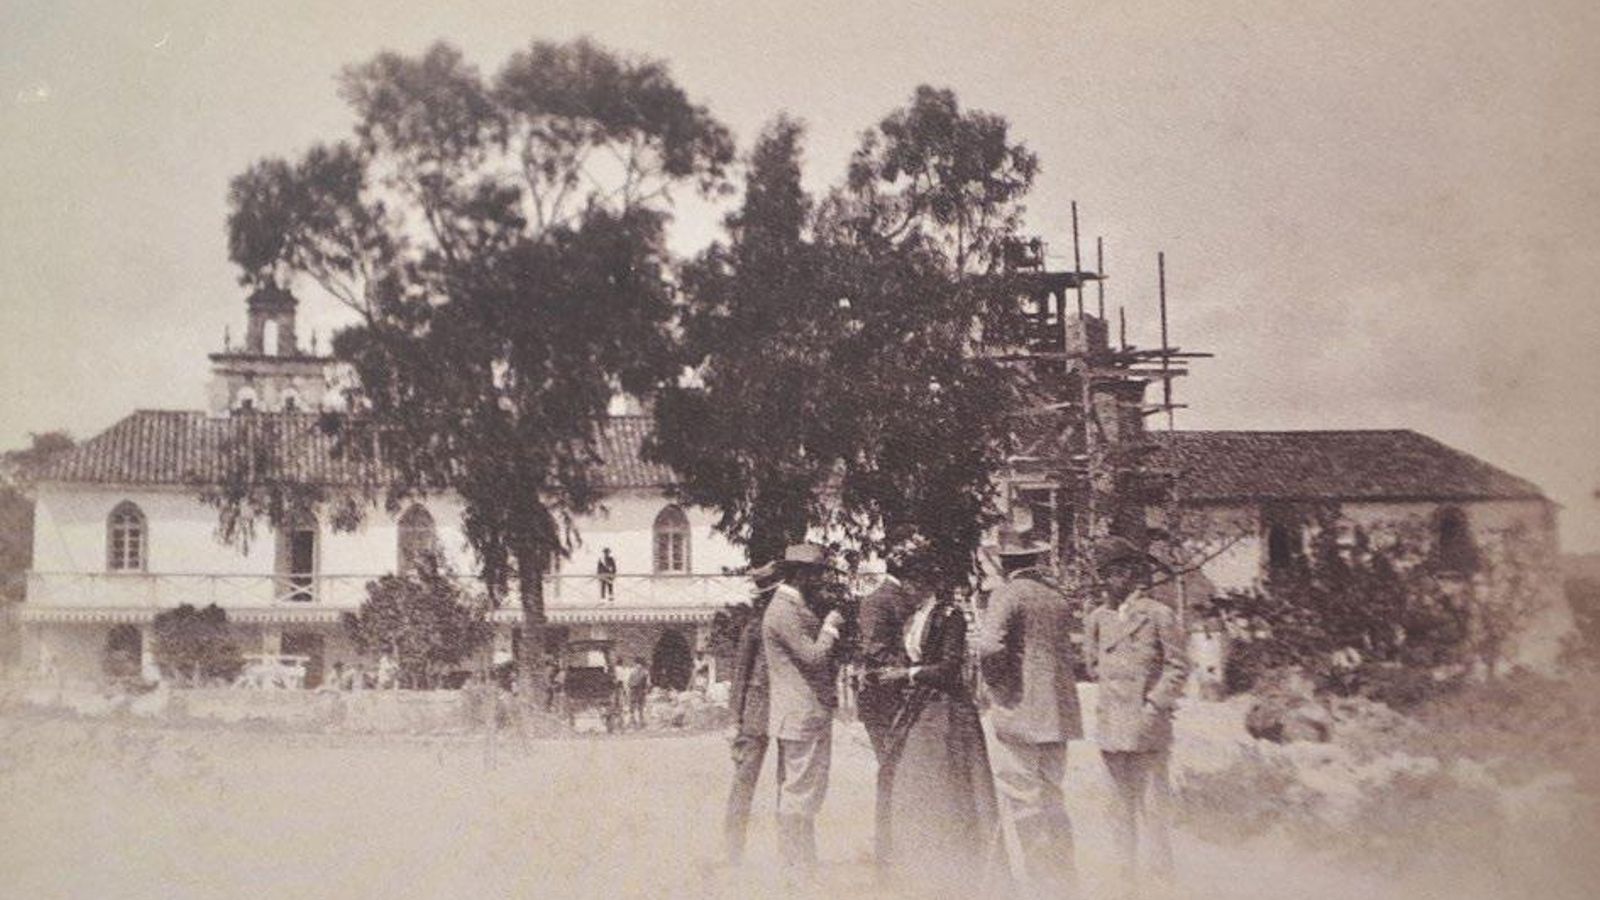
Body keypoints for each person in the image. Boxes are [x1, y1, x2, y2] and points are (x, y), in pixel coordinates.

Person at [872, 562, 1001, 895]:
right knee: (915, 789)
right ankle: (923, 868)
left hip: (949, 714)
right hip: (920, 712)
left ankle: (959, 870)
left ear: (925, 581)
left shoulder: (950, 617)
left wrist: (907, 675)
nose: (906, 589)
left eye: (911, 581)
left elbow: (949, 669)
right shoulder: (913, 619)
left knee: (949, 789)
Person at [974, 530, 1083, 894]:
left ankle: (1040, 885)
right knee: (1053, 797)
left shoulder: (1007, 594)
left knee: (1024, 800)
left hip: (1019, 711)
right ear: (1034, 560)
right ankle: (1064, 882)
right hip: (1059, 713)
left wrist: (999, 688)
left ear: (1005, 563)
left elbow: (989, 648)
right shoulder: (1056, 597)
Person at [1083, 536, 1189, 895]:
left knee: (1153, 809)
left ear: (1127, 574)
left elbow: (1178, 667)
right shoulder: (1098, 618)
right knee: (1117, 809)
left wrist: (1153, 705)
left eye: (1109, 573)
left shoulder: (1158, 615)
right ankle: (1124, 883)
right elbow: (1092, 664)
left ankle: (1162, 883)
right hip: (1112, 724)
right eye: (1101, 574)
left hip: (1147, 726)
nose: (1103, 582)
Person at [761, 542, 846, 873]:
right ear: (798, 575)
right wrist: (831, 626)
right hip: (801, 716)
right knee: (800, 793)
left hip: (798, 716)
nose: (820, 581)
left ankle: (800, 865)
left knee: (799, 792)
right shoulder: (783, 611)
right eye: (815, 574)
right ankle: (795, 870)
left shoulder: (789, 607)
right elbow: (813, 657)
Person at [855, 558, 923, 870]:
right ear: (906, 576)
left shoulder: (894, 598)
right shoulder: (879, 600)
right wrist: (910, 671)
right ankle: (887, 848)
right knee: (891, 769)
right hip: (883, 697)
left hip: (895, 696)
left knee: (899, 769)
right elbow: (875, 650)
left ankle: (900, 844)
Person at [723, 560, 781, 865]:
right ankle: (734, 850)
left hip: (784, 710)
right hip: (756, 714)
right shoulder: (754, 628)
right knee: (744, 782)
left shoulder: (784, 622)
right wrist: (734, 719)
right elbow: (740, 675)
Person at [626, 656, 651, 727]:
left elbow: (628, 682)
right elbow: (648, 683)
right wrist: (646, 690)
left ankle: (632, 721)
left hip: (633, 690)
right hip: (641, 690)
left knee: (632, 706)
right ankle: (641, 722)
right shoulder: (645, 671)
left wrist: (630, 688)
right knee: (641, 707)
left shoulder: (632, 671)